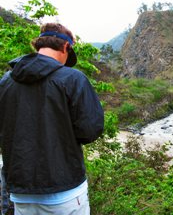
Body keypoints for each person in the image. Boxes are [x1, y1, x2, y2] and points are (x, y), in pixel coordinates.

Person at [0, 23, 104, 215]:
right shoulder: (73, 79)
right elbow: (90, 130)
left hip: (20, 193)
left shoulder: (6, 81)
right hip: (65, 190)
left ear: (38, 45)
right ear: (66, 47)